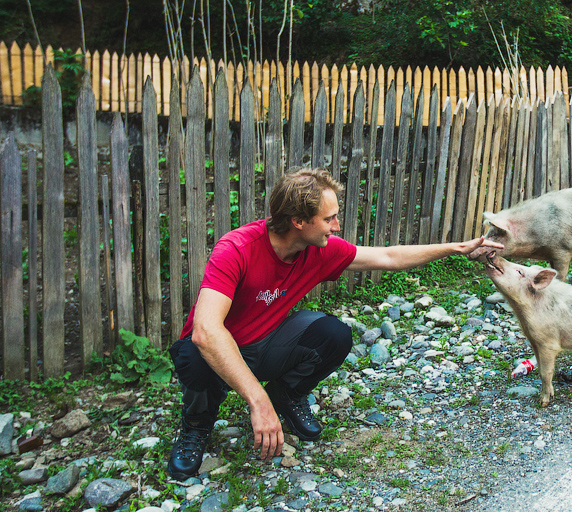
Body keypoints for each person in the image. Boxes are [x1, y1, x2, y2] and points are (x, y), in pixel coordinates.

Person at [166, 167, 502, 480]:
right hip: (221, 351)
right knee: (195, 354)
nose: (336, 226)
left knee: (334, 335)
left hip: (266, 344)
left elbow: (386, 257)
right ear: (298, 220)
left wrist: (457, 248)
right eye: (329, 218)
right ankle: (197, 424)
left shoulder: (320, 249)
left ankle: (286, 395)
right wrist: (257, 401)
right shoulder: (237, 249)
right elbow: (207, 331)